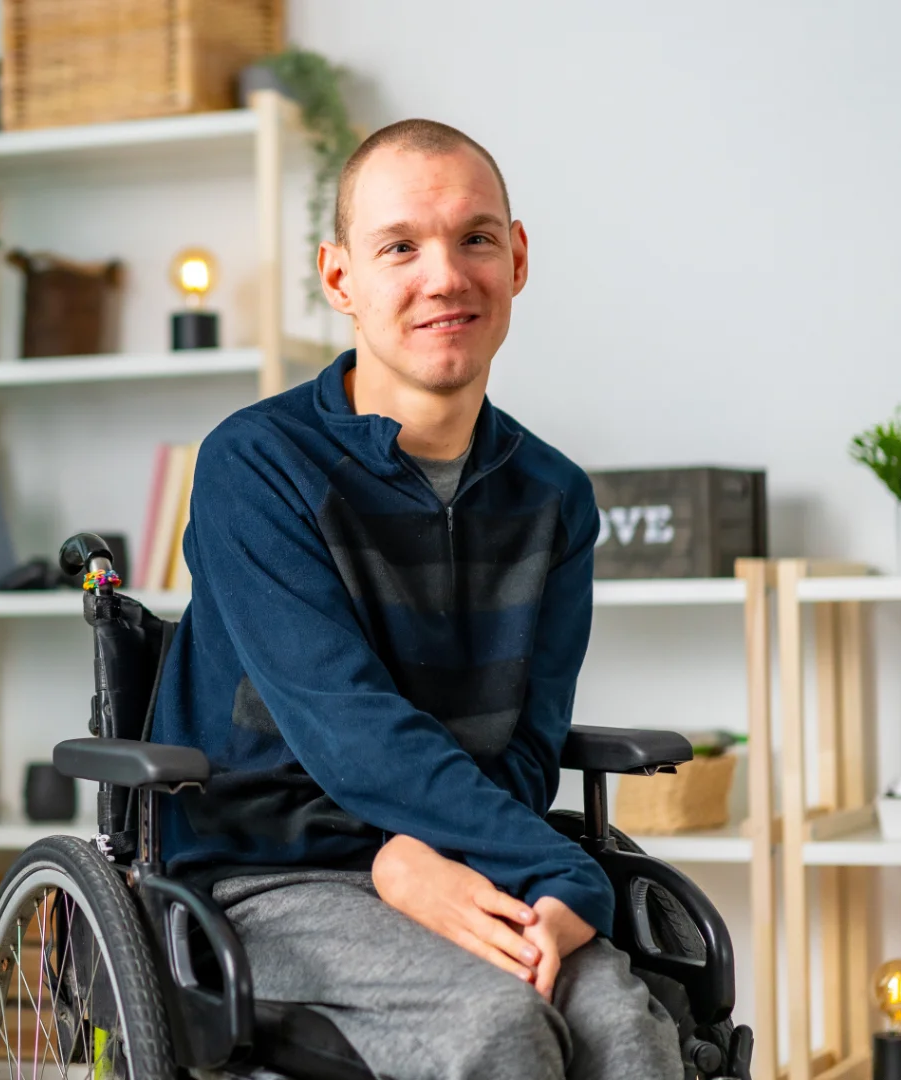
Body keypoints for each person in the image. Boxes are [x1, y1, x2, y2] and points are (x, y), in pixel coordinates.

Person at [151, 118, 681, 1080]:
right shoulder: (257, 465)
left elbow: (526, 744)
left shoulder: (553, 497)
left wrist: (503, 876)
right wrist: (548, 871)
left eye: (475, 237)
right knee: (494, 1031)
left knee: (626, 1031)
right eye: (400, 246)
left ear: (515, 259)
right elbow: (345, 723)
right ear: (341, 276)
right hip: (268, 879)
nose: (445, 276)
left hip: (468, 859)